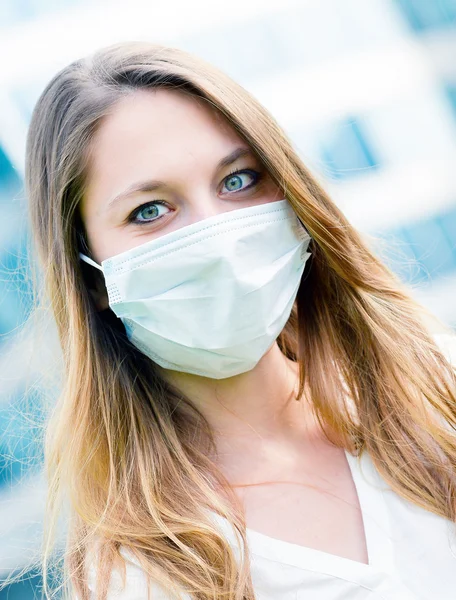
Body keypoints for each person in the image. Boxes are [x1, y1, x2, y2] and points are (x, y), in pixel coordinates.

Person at [23, 40, 456, 600]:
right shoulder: (151, 577)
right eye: (149, 211)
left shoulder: (437, 391)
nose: (217, 237)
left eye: (238, 180)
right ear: (91, 278)